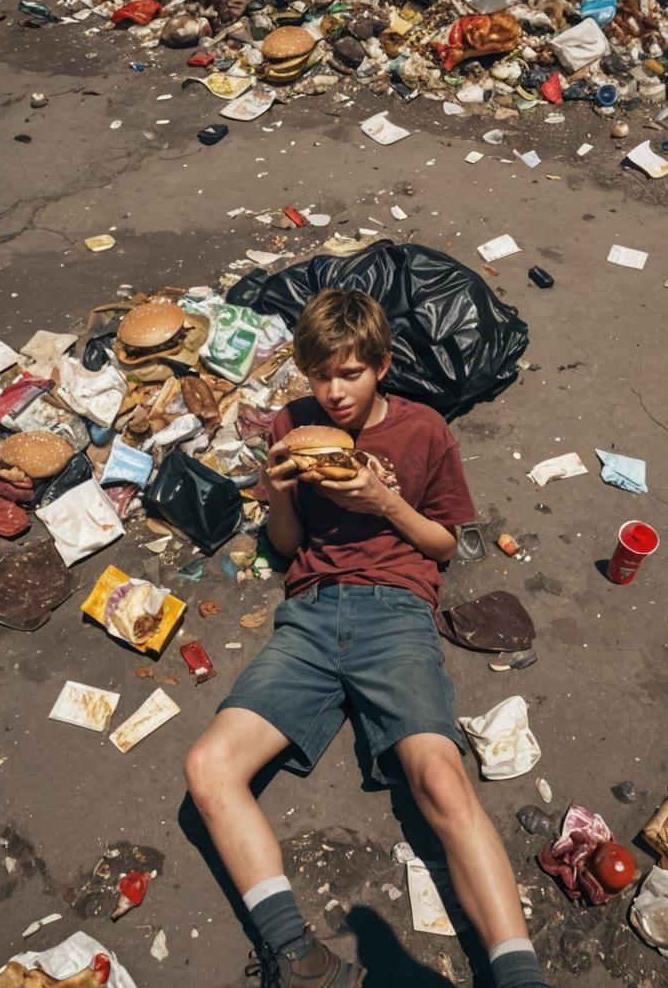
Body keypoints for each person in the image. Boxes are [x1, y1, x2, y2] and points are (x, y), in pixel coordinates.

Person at [185, 289, 548, 988]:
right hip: (311, 614)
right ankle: (298, 959)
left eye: (349, 374)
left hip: (397, 613)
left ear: (380, 365)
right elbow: (289, 548)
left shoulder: (425, 431)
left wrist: (384, 501)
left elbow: (446, 546)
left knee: (440, 779)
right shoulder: (293, 425)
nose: (334, 392)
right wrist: (280, 487)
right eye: (321, 375)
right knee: (207, 768)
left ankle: (519, 975)